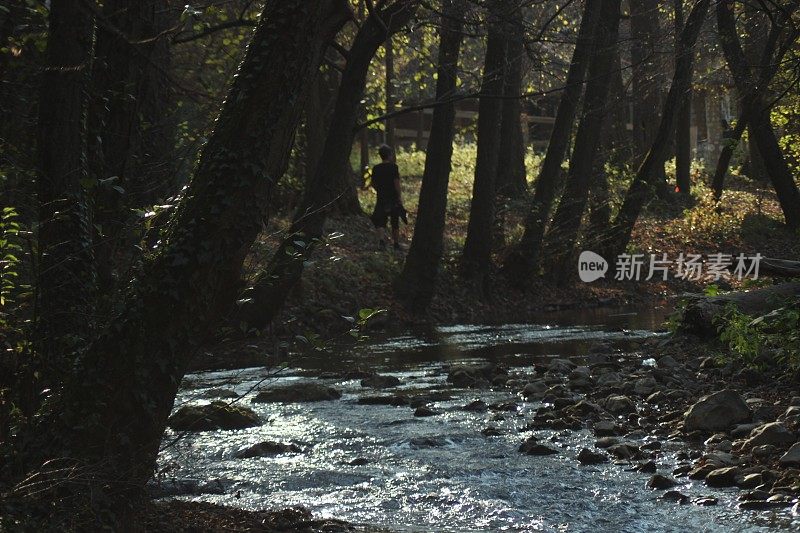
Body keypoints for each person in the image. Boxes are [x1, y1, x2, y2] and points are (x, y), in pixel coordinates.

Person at [369, 144, 406, 250]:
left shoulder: (376, 168)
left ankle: (381, 241)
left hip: (381, 197)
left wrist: (379, 190)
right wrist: (399, 196)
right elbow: (396, 183)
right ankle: (396, 244)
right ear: (389, 155)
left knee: (380, 219)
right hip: (393, 197)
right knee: (395, 220)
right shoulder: (394, 167)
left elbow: (373, 183)